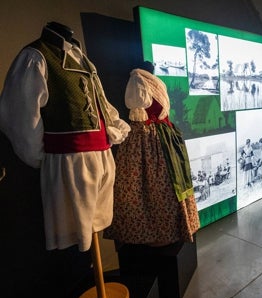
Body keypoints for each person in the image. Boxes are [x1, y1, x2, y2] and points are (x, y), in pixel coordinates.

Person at [0, 22, 130, 252]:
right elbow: (20, 118)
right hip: (69, 163)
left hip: (101, 156)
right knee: (77, 229)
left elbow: (103, 107)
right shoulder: (36, 57)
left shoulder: (82, 59)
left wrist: (114, 131)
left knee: (97, 223)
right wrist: (44, 157)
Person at [104, 61, 200, 246]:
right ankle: (150, 234)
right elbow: (137, 109)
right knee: (145, 185)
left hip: (164, 137)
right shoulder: (137, 79)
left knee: (169, 184)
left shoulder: (152, 80)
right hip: (146, 137)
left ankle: (170, 231)